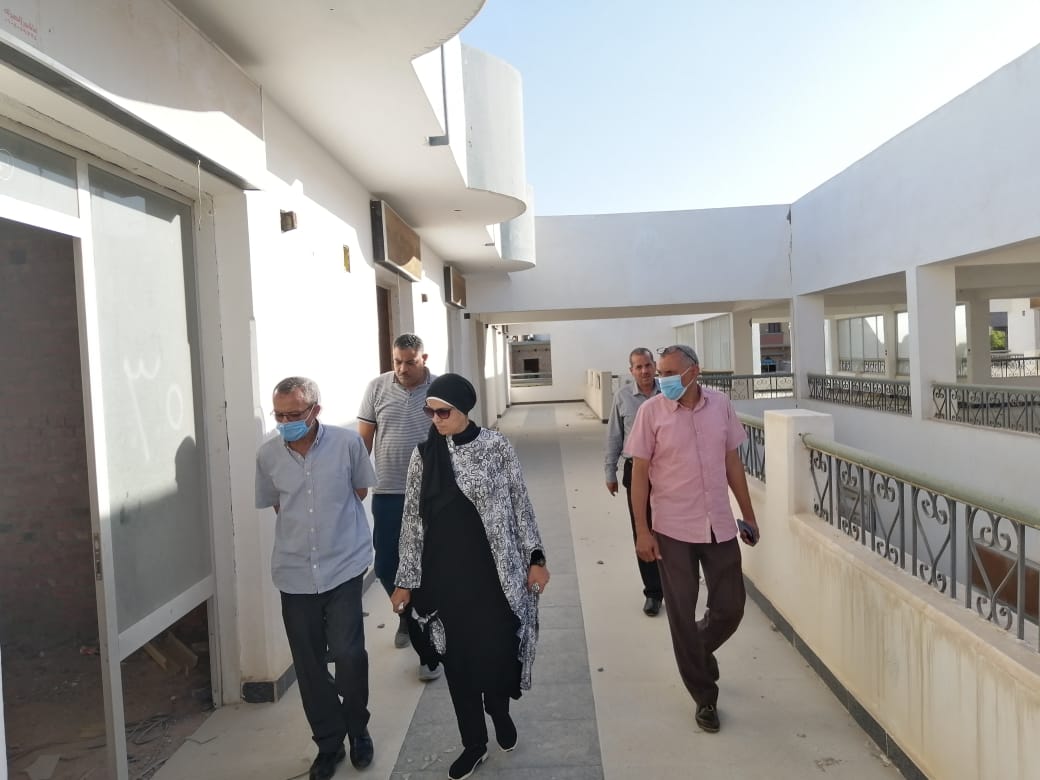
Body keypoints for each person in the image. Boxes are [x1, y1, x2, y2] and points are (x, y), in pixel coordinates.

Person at [390, 374, 549, 780]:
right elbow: (412, 522)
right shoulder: (424, 455)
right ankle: (473, 744)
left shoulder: (496, 447)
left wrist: (535, 556)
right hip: (445, 579)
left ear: (463, 410)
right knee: (458, 664)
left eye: (443, 412)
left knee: (496, 655)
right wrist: (405, 580)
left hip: (495, 575)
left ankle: (498, 709)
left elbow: (520, 503)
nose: (435, 419)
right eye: (430, 412)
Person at [625, 345, 760, 735]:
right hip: (672, 529)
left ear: (694, 372)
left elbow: (732, 462)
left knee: (731, 607)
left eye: (670, 372)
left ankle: (698, 649)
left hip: (718, 524)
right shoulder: (651, 412)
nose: (662, 378)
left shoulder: (721, 406)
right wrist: (642, 530)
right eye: (660, 372)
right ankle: (705, 697)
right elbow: (640, 474)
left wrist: (748, 514)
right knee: (681, 615)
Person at [255, 377, 376, 779]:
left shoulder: (347, 444)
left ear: (315, 411)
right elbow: (279, 505)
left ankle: (358, 730)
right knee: (308, 665)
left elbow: (360, 490)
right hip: (294, 574)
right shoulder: (267, 455)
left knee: (348, 654)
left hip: (343, 566)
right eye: (279, 415)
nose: (285, 422)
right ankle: (329, 743)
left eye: (294, 414)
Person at [358, 333, 442, 681]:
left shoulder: (440, 388)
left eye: (410, 362)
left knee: (432, 565)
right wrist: (354, 484)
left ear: (424, 359)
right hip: (389, 493)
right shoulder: (377, 388)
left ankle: (429, 641)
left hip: (432, 493)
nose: (402, 369)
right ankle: (407, 615)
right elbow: (363, 441)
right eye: (397, 361)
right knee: (386, 565)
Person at [604, 347, 664, 616]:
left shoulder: (669, 393)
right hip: (635, 470)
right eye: (638, 367)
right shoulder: (623, 397)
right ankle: (653, 592)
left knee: (672, 529)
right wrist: (610, 472)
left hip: (669, 471)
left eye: (648, 365)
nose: (644, 371)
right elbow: (614, 436)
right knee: (643, 530)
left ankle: (675, 584)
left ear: (655, 366)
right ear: (631, 371)